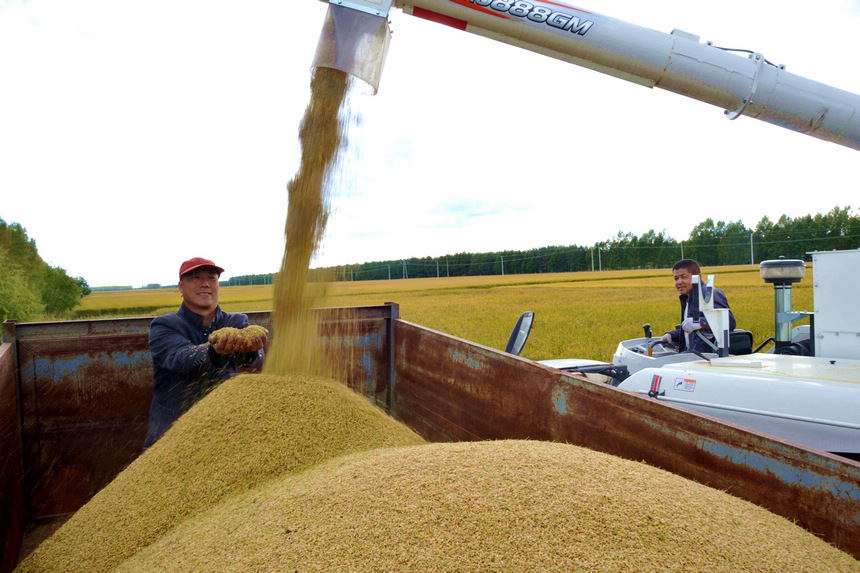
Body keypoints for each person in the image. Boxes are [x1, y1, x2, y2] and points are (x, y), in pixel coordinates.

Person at [144, 257, 267, 447]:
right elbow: (178, 358)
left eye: (212, 278)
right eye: (196, 278)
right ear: (180, 286)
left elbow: (253, 361)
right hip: (171, 436)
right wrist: (213, 351)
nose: (205, 284)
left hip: (225, 432)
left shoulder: (237, 322)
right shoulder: (164, 325)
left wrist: (250, 351)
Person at [660, 259, 735, 355]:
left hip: (706, 357)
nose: (679, 282)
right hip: (693, 354)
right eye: (676, 278)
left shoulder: (708, 294)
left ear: (698, 277)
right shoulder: (689, 297)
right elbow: (692, 329)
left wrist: (700, 322)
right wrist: (671, 335)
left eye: (683, 277)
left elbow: (729, 322)